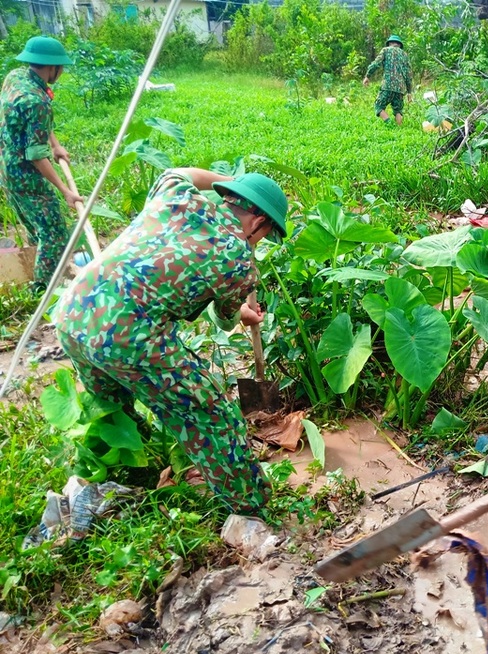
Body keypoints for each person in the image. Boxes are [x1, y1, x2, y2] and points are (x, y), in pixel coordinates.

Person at [52, 169, 289, 517]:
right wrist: (244, 313)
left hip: (73, 314)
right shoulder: (238, 260)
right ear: (258, 222)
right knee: (212, 414)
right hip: (128, 337)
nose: (260, 241)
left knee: (114, 399)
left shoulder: (177, 194)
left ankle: (132, 472)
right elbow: (224, 318)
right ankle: (251, 509)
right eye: (266, 235)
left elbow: (176, 171)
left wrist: (229, 178)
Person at [0, 36, 82, 291]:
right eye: (61, 67)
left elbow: (35, 125)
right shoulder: (37, 101)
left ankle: (39, 263)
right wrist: (66, 191)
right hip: (26, 174)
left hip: (6, 168)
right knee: (54, 231)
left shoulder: (15, 77)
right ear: (52, 67)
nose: (62, 71)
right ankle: (43, 289)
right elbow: (36, 155)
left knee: (37, 226)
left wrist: (56, 145)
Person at [363, 34, 413, 125]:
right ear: (400, 45)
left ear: (389, 43)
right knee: (398, 110)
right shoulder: (405, 55)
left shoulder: (385, 50)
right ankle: (399, 129)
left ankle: (389, 123)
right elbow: (409, 74)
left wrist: (367, 76)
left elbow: (376, 64)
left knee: (378, 106)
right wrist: (409, 92)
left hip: (387, 85)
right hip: (400, 88)